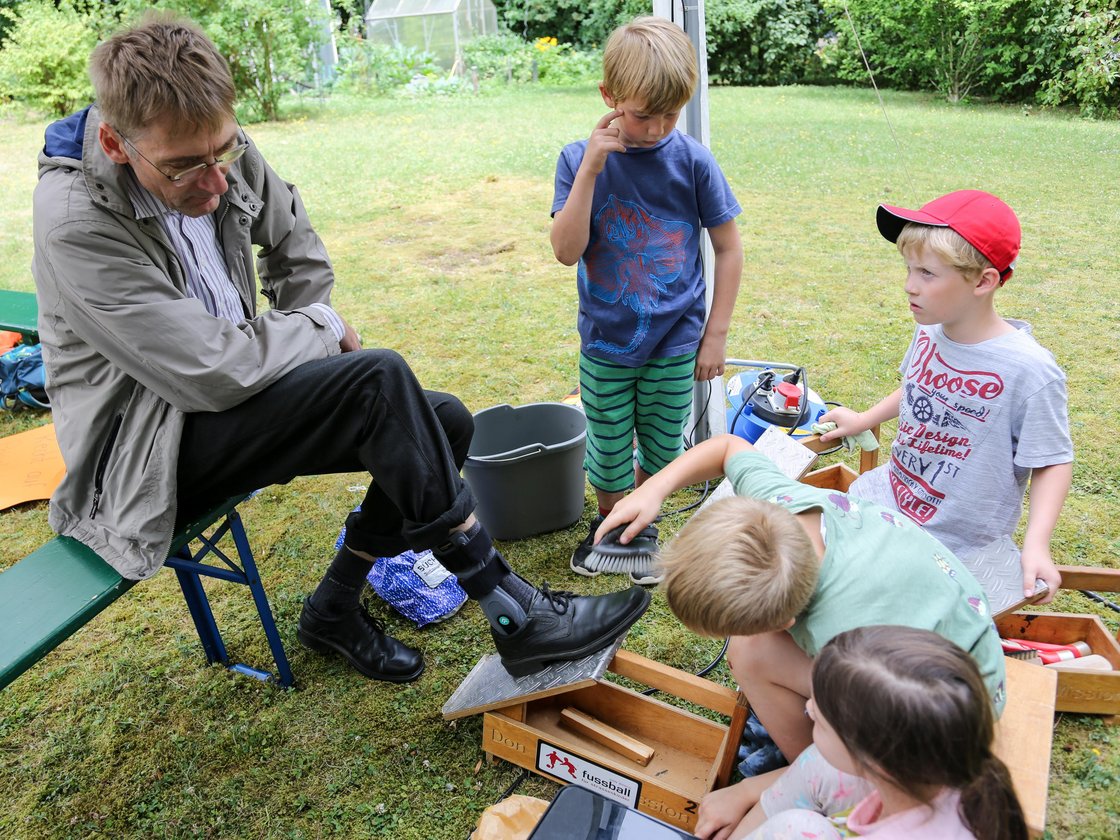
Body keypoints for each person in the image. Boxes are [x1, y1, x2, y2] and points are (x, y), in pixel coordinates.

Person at [30, 13, 649, 684]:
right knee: (376, 384)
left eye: (225, 154)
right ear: (115, 144)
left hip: (228, 397)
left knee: (440, 423)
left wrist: (305, 341)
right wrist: (318, 333)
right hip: (143, 455)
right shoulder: (75, 222)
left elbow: (295, 247)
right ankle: (514, 609)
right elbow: (213, 372)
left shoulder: (208, 144)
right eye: (185, 169)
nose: (214, 184)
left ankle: (335, 606)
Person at [596, 433, 1005, 765]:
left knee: (751, 655)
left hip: (954, 709)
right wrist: (652, 490)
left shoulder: (844, 639)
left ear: (784, 625)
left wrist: (786, 784)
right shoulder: (780, 510)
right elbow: (727, 447)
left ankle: (804, 767)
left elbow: (887, 746)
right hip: (948, 625)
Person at [549, 16, 743, 581]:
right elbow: (566, 251)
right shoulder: (575, 159)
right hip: (606, 342)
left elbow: (728, 249)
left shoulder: (693, 161)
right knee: (608, 448)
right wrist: (590, 167)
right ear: (609, 98)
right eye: (641, 115)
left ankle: (647, 528)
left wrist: (716, 333)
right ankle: (611, 525)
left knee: (662, 444)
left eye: (672, 114)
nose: (658, 128)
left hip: (676, 342)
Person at [819, 190, 1073, 603]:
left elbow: (1052, 459)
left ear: (984, 281)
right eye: (908, 269)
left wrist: (1037, 543)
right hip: (884, 499)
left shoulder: (1030, 371)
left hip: (958, 542)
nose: (908, 286)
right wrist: (865, 419)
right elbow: (917, 387)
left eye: (926, 274)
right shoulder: (930, 329)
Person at [695, 626, 1026, 840]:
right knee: (820, 765)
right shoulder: (943, 774)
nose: (808, 710)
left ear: (876, 761)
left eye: (820, 721)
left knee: (794, 830)